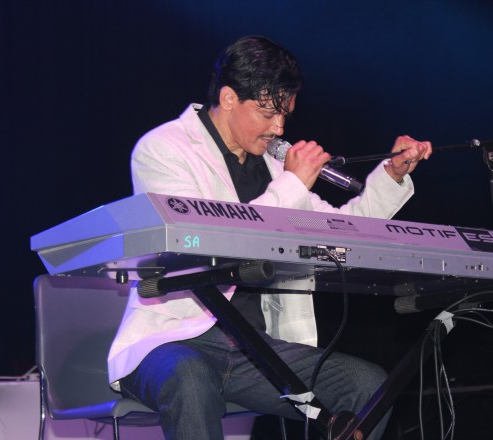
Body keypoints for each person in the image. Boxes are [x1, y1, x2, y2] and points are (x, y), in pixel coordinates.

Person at [107, 35, 432, 440]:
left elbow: (345, 228)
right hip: (172, 339)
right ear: (229, 98)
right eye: (267, 113)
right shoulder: (163, 149)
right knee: (190, 376)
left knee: (368, 385)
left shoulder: (275, 169)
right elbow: (210, 239)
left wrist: (391, 175)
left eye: (284, 115)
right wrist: (293, 183)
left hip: (253, 348)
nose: (278, 128)